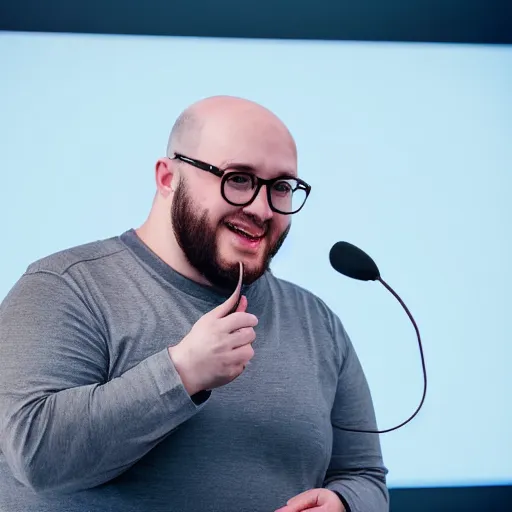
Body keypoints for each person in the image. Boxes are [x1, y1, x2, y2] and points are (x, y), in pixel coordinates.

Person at [0, 95, 389, 512]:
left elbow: (366, 478)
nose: (261, 208)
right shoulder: (65, 288)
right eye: (238, 178)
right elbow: (34, 456)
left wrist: (345, 504)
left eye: (279, 187)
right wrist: (182, 373)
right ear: (168, 178)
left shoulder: (316, 321)